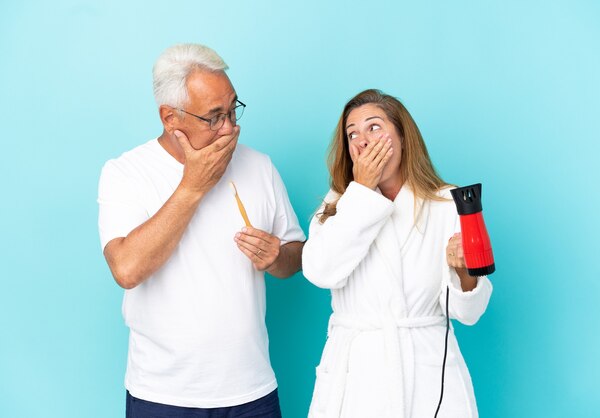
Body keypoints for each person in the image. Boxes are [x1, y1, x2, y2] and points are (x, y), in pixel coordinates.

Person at [97, 43, 305, 417]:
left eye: (232, 110)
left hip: (252, 392)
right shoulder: (126, 173)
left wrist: (277, 257)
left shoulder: (260, 166)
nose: (230, 128)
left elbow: (296, 256)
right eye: (213, 117)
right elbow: (126, 269)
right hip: (161, 395)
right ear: (169, 117)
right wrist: (192, 187)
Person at [302, 89, 493, 418]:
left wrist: (464, 271)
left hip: (426, 373)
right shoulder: (336, 206)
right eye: (352, 134)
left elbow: (470, 313)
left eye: (374, 127)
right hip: (355, 377)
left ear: (403, 138)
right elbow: (319, 272)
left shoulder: (448, 203)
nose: (363, 141)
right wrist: (361, 192)